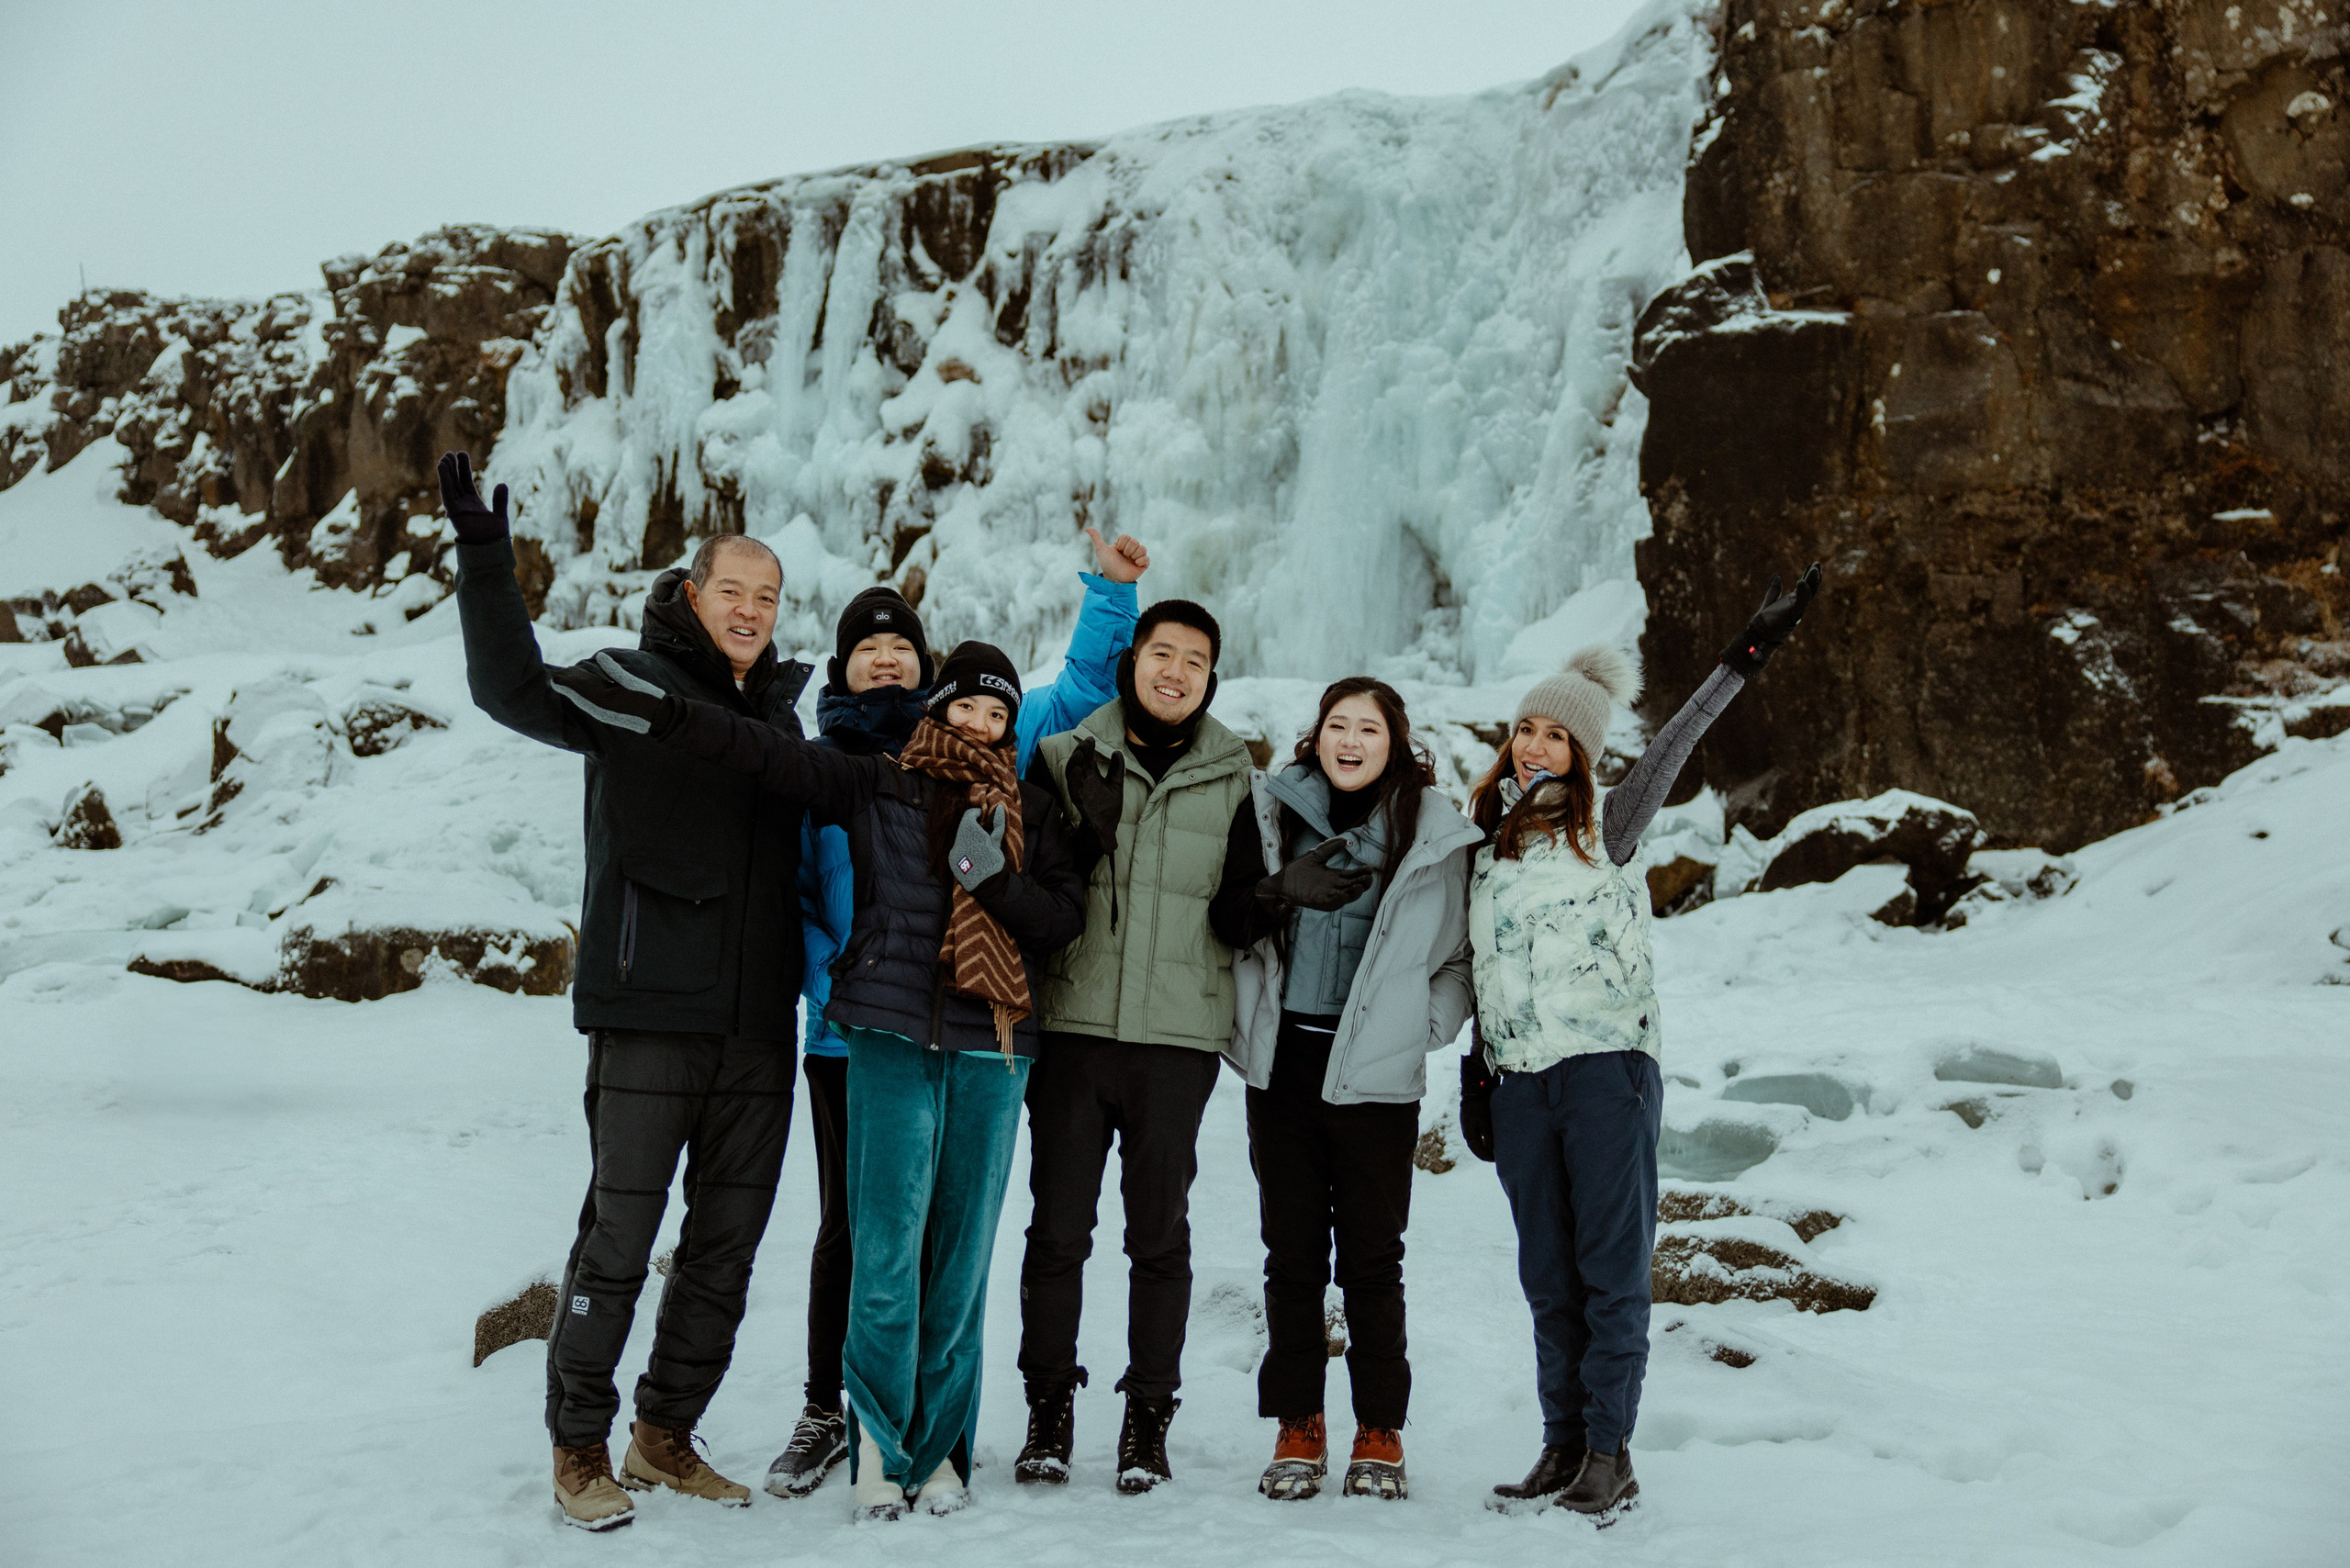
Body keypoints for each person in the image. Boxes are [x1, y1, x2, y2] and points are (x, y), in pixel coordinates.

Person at [540, 639, 1089, 1523]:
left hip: (996, 1040)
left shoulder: (1029, 805)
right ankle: (878, 1445)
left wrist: (995, 884)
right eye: (968, 707)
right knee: (883, 1250)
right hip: (889, 1030)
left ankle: (942, 1450)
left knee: (960, 1260)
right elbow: (767, 755)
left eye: (1000, 714)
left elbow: (1063, 918)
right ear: (936, 707)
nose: (983, 726)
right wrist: (673, 714)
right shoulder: (879, 783)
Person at [439, 451, 813, 1531]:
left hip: (757, 1028)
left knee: (725, 1249)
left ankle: (664, 1435)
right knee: (617, 1239)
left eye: (768, 597)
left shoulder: (780, 720)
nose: (749, 610)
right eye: (732, 591)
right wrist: (483, 559)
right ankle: (576, 1445)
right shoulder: (627, 685)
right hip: (648, 1016)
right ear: (693, 597)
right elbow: (511, 689)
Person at [766, 530, 1149, 1500]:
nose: (885, 657)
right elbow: (790, 894)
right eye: (866, 646)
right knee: (856, 1234)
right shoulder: (840, 767)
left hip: (977, 1028)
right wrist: (839, 979)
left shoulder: (1003, 767)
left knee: (944, 1245)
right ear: (849, 665)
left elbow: (1074, 695)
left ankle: (926, 1440)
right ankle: (838, 1418)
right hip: (852, 1021)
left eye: (900, 644)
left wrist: (1112, 593)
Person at [1463, 566, 1821, 1520]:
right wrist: (1475, 1070)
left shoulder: (1608, 824)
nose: (1537, 745)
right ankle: (1559, 1443)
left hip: (1604, 1072)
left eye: (1557, 734)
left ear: (1581, 752)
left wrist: (1749, 652)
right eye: (1526, 729)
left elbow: (1678, 738)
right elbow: (1479, 964)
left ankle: (1609, 1453)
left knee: (1608, 1269)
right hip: (1518, 1082)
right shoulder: (1480, 839)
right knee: (1546, 1273)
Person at [1210, 678, 1481, 1502]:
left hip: (1377, 1080)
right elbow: (1224, 922)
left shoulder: (1433, 832)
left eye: (1369, 728)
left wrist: (1418, 1026)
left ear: (1396, 742)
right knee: (1292, 1258)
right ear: (1316, 736)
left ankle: (1378, 1430)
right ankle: (1298, 1424)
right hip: (1285, 1066)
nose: (1352, 740)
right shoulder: (1270, 813)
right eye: (1338, 725)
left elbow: (1460, 960)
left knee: (1372, 1261)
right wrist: (1274, 889)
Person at [1015, 600, 1257, 1492]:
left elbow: (1236, 911)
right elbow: (1034, 890)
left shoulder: (1237, 778)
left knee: (1159, 1237)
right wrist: (1081, 832)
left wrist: (1275, 896)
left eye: (1195, 659)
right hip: (1075, 1028)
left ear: (1209, 677)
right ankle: (1048, 1410)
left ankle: (1147, 1419)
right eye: (1163, 652)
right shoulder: (1064, 756)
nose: (1176, 671)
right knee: (1058, 1232)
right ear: (1133, 663)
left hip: (1175, 1039)